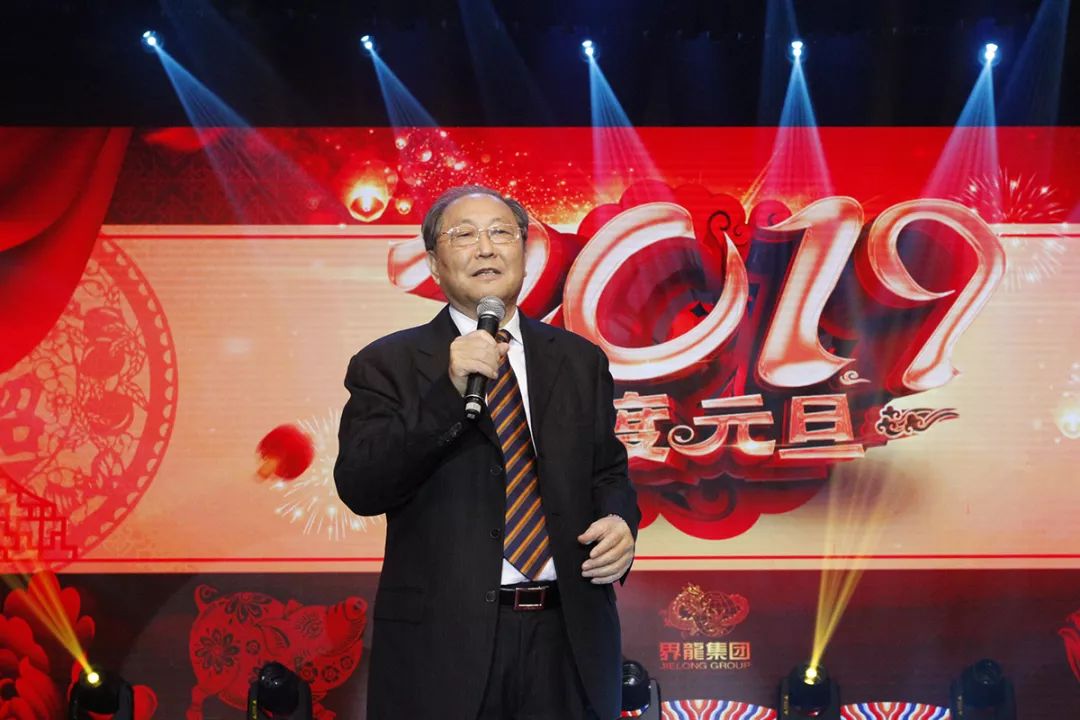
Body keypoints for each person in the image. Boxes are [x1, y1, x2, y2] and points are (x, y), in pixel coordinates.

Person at [335, 185, 640, 720]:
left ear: (524, 252)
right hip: (443, 645)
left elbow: (608, 471)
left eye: (501, 233)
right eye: (464, 235)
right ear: (434, 263)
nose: (486, 248)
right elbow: (362, 485)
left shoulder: (579, 360)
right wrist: (447, 394)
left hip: (568, 637)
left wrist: (619, 520)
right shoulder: (388, 364)